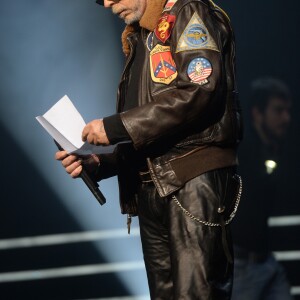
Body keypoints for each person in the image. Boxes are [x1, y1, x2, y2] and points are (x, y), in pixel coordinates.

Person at [55, 0, 242, 298]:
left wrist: (115, 127)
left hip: (192, 182)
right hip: (152, 187)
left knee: (197, 293)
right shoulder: (142, 33)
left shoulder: (188, 10)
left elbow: (200, 90)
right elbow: (157, 133)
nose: (106, 2)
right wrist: (102, 165)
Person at [231, 78, 293, 300]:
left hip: (264, 261)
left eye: (287, 111)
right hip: (240, 267)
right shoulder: (240, 151)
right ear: (258, 113)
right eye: (278, 111)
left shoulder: (275, 150)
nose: (286, 118)